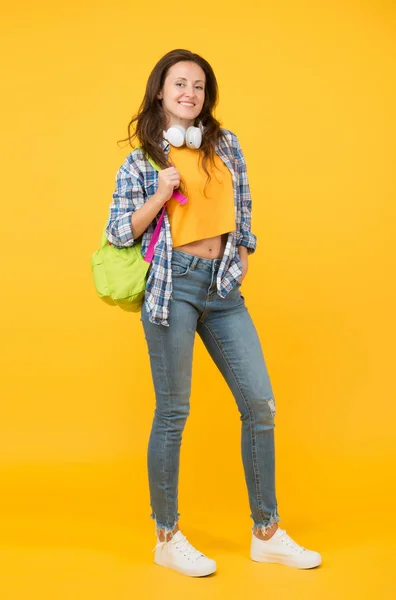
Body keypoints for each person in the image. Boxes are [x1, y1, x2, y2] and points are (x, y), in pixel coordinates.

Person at [106, 49, 321, 577]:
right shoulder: (140, 162)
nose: (189, 93)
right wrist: (158, 196)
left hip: (222, 288)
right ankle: (166, 535)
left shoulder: (226, 146)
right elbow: (117, 232)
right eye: (179, 83)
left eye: (198, 86)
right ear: (161, 91)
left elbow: (243, 212)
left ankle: (266, 532)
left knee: (260, 405)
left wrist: (243, 253)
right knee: (174, 411)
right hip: (170, 287)